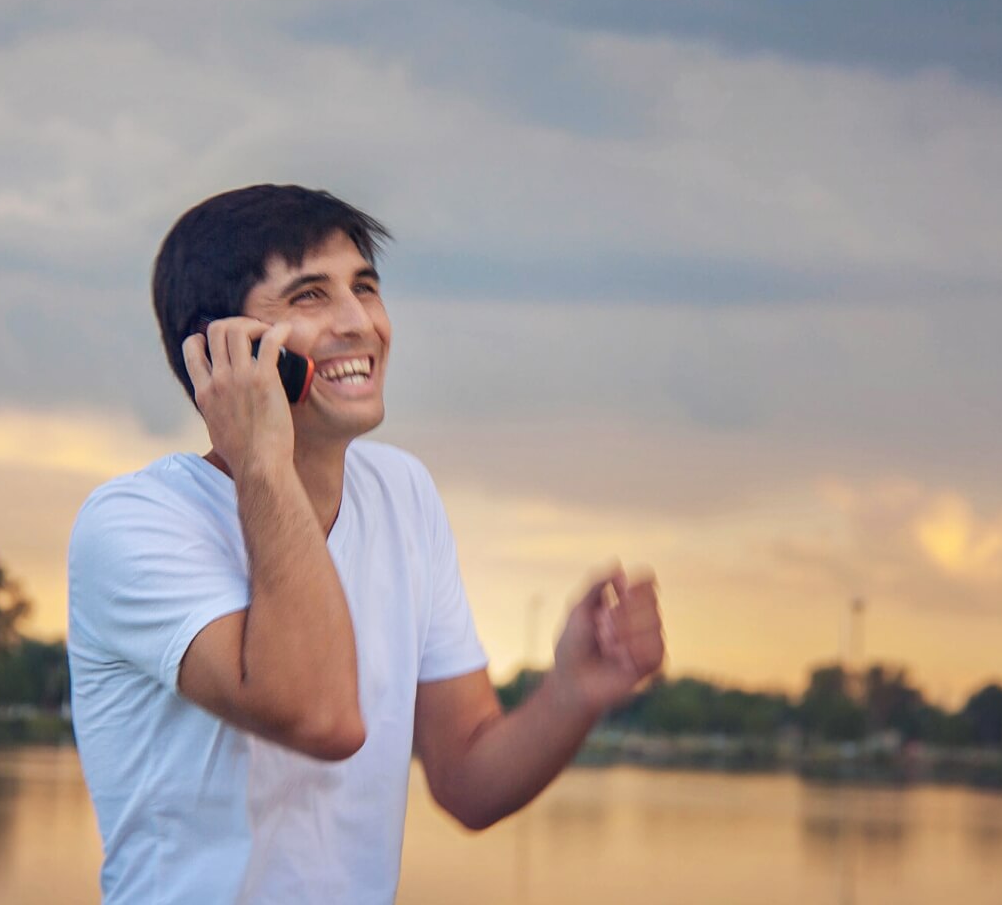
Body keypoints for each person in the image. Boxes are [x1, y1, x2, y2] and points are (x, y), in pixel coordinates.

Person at [67, 184, 666, 904]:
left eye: (366, 288)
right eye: (311, 297)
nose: (360, 323)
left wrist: (572, 693)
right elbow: (323, 717)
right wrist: (263, 459)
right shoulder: (135, 522)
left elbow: (469, 780)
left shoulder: (402, 493)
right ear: (222, 351)